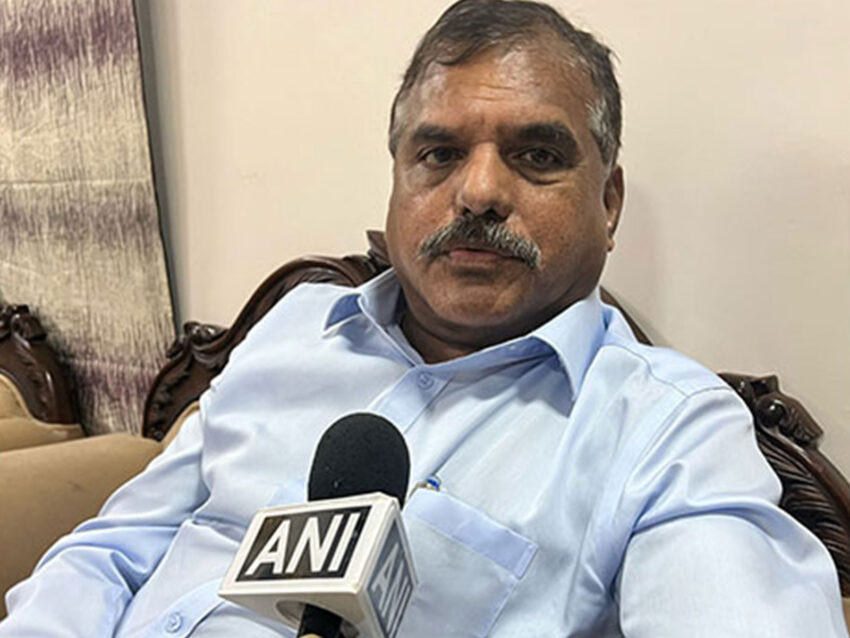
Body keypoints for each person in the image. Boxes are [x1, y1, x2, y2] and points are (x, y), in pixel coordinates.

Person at [1, 1, 846, 636]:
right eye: (439, 154)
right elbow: (115, 546)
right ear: (398, 181)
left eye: (537, 155)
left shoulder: (669, 432)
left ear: (609, 202)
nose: (477, 192)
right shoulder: (296, 328)